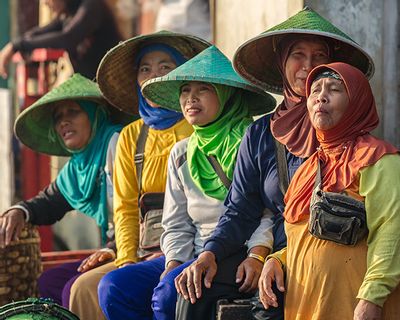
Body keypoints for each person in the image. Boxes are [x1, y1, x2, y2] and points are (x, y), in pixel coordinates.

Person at [177, 7, 378, 320]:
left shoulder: (346, 131)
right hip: (273, 249)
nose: (308, 66)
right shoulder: (260, 134)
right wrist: (210, 253)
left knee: (270, 304)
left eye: (319, 56)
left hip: (331, 250)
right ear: (282, 63)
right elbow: (240, 209)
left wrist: (279, 258)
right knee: (192, 296)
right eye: (297, 54)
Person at [97, 45, 276, 320]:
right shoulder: (182, 153)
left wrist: (257, 255)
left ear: (226, 95)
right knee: (114, 287)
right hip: (193, 252)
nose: (191, 99)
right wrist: (173, 263)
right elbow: (176, 222)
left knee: (170, 294)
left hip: (236, 251)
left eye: (202, 89)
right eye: (185, 91)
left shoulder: (250, 142)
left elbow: (264, 211)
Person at [66, 31, 210, 319]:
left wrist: (172, 255)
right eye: (145, 69)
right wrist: (128, 259)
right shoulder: (131, 136)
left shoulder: (198, 127)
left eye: (164, 67)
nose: (153, 76)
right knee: (84, 288)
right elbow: (125, 208)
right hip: (142, 248)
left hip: (193, 246)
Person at [258, 62, 400, 320]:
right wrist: (277, 260)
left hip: (358, 307)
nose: (321, 96)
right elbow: (303, 239)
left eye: (334, 89)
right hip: (307, 305)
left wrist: (372, 297)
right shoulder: (308, 169)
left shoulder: (382, 161)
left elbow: (392, 233)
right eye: (315, 90)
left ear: (356, 102)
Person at [0, 73, 129, 306]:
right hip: (112, 248)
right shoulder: (76, 168)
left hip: (134, 247)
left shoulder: (118, 143)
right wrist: (19, 210)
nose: (63, 122)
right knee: (50, 282)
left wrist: (112, 249)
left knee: (73, 288)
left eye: (73, 112)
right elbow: (50, 201)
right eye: (58, 117)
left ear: (95, 114)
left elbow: (139, 210)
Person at [0, 0, 122, 79]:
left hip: (114, 81)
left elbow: (67, 39)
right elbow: (38, 33)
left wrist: (18, 45)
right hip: (94, 83)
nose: (45, 3)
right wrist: (13, 46)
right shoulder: (68, 15)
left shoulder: (92, 6)